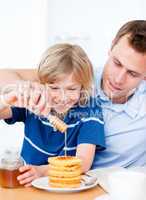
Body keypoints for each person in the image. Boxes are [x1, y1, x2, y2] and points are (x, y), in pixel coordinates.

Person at [0, 43, 105, 187]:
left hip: (67, 187)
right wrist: (7, 99)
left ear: (83, 86)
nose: (62, 97)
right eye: (54, 88)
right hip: (26, 184)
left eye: (71, 89)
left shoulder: (90, 109)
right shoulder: (34, 102)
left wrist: (42, 171)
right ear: (42, 83)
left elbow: (83, 162)